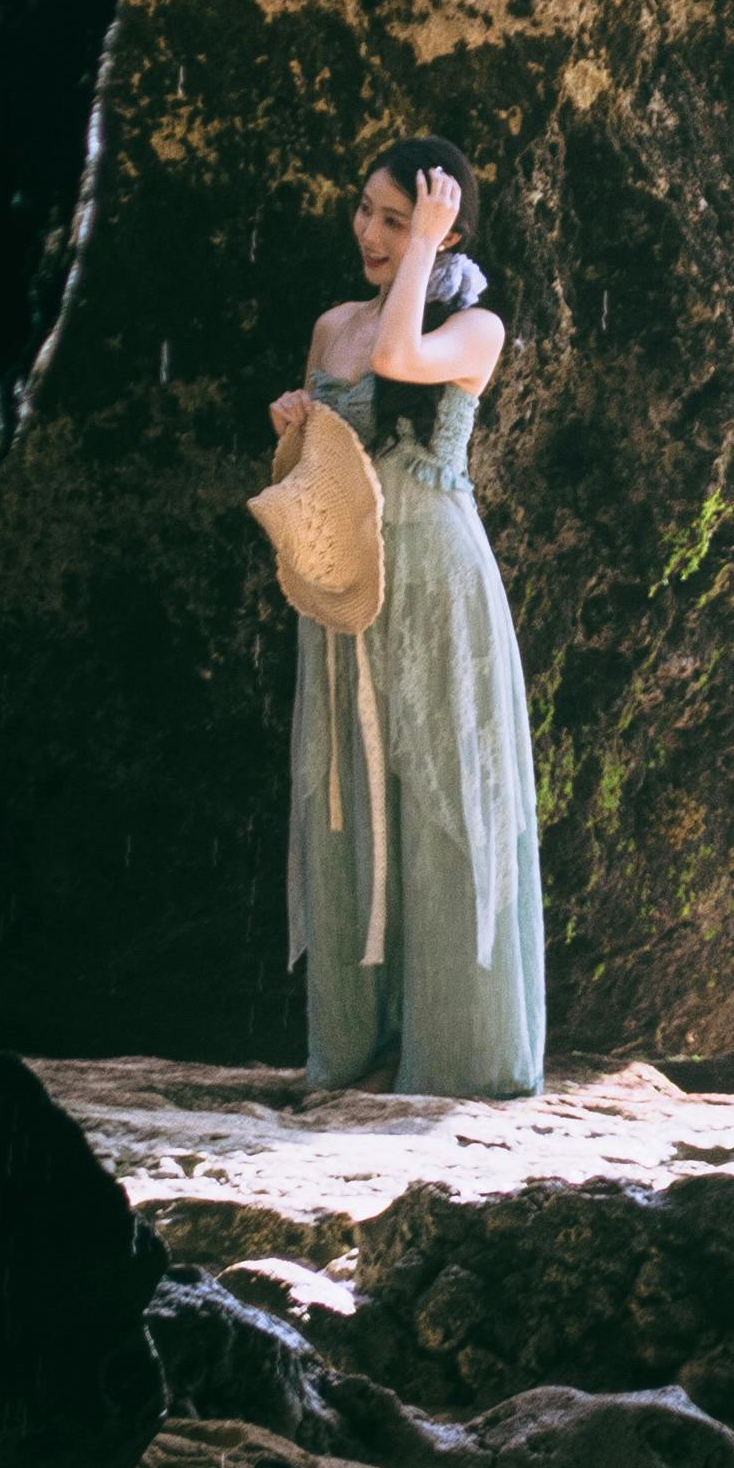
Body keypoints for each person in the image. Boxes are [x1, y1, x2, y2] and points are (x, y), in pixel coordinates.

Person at [270, 136, 546, 1100]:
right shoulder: (330, 323)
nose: (372, 232)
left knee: (444, 793)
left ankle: (456, 1056)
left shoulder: (477, 328)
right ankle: (356, 1045)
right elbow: (326, 457)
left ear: (445, 228)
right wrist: (297, 421)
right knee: (346, 784)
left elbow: (398, 355)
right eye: (367, 211)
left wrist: (428, 245)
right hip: (351, 569)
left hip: (437, 574)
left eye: (398, 217)